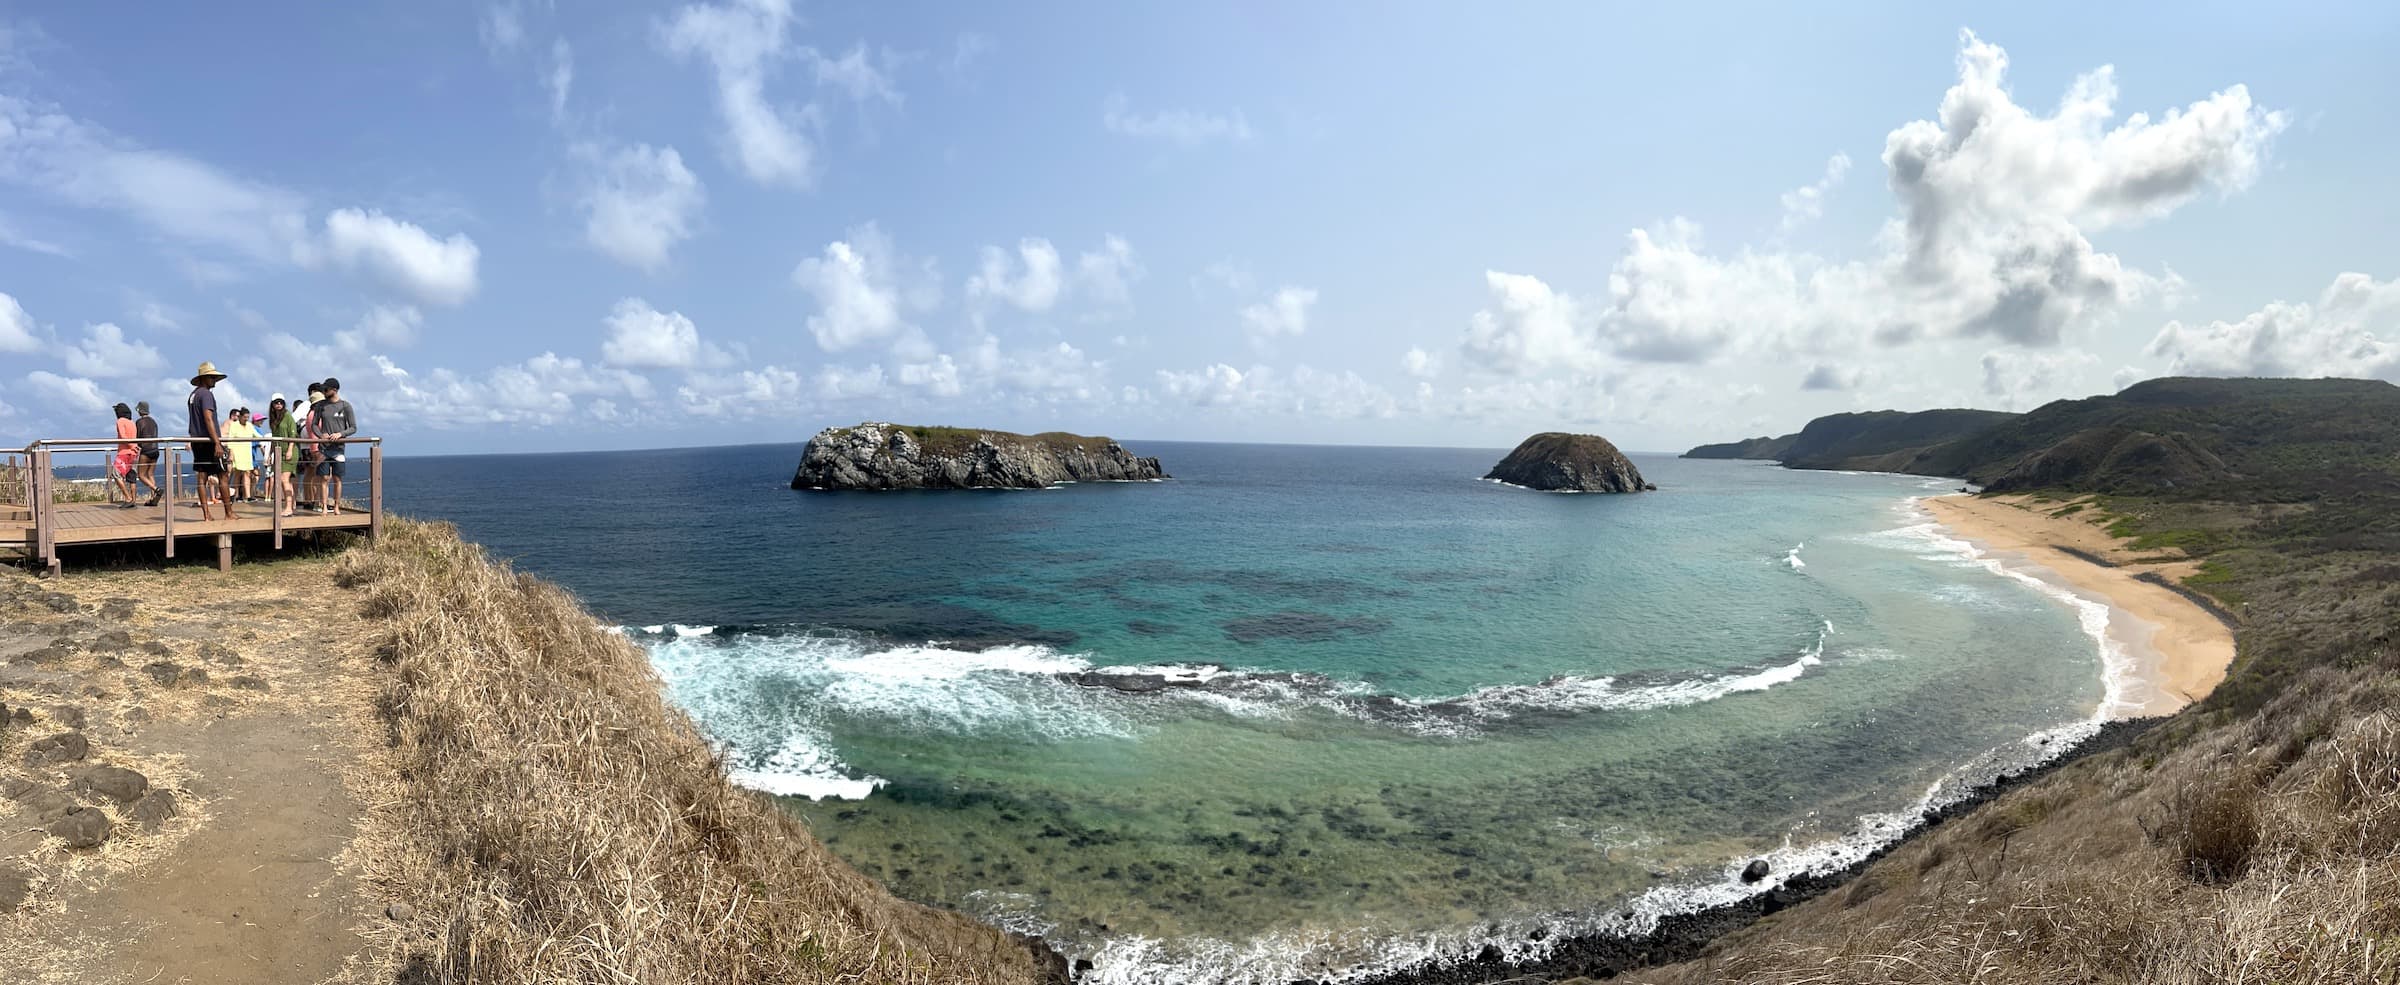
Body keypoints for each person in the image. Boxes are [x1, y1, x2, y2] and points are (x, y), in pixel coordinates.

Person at [186, 361, 237, 521]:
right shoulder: (206, 394)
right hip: (209, 441)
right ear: (204, 378)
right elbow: (208, 419)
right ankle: (228, 513)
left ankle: (206, 514)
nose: (214, 381)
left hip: (197, 440)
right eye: (211, 378)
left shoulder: (193, 395)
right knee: (223, 476)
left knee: (202, 477)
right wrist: (217, 443)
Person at [309, 377, 358, 515]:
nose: (324, 391)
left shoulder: (345, 406)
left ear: (334, 390)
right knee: (324, 478)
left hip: (339, 449)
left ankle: (337, 506)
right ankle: (324, 507)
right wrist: (320, 435)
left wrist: (340, 434)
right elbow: (314, 425)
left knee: (337, 478)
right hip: (324, 449)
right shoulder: (320, 406)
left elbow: (353, 427)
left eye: (326, 389)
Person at [268, 396, 299, 517]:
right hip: (278, 451)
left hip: (289, 451)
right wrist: (270, 453)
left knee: (284, 479)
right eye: (276, 402)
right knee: (285, 481)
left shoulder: (288, 416)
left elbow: (293, 434)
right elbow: (274, 437)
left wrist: (290, 450)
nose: (279, 404)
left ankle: (288, 507)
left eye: (281, 402)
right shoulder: (274, 419)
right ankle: (291, 505)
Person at [297, 383, 326, 509]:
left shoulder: (309, 411)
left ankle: (309, 501)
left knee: (310, 473)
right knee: (316, 474)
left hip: (307, 445)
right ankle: (315, 502)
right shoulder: (308, 408)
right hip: (312, 445)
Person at [224, 408, 258, 503]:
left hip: (246, 452)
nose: (246, 419)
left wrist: (266, 439)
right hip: (237, 451)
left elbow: (256, 435)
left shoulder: (250, 425)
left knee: (247, 473)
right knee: (237, 474)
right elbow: (230, 439)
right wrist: (231, 453)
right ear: (240, 417)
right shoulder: (234, 426)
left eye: (248, 417)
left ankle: (247, 496)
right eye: (245, 417)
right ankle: (237, 495)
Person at [133, 400, 162, 507]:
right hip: (155, 450)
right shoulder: (154, 422)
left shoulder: (139, 422)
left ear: (140, 410)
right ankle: (154, 498)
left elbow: (138, 438)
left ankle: (156, 490)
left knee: (141, 475)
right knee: (150, 474)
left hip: (146, 450)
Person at [110, 403, 139, 507]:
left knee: (115, 473)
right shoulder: (132, 422)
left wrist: (130, 446)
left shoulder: (120, 421)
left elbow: (123, 436)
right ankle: (133, 500)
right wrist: (134, 446)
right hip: (134, 453)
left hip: (124, 452)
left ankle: (128, 498)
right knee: (132, 476)